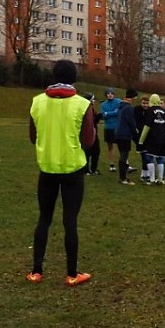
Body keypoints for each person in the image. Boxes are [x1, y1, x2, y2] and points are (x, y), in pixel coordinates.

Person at [26, 59, 95, 287]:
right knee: (70, 221)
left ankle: (36, 271)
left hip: (47, 168)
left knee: (44, 219)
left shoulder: (37, 103)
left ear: (53, 77)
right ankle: (72, 274)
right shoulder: (83, 104)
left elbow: (33, 137)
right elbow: (88, 141)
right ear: (74, 78)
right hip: (72, 170)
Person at [138, 94, 165, 186]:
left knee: (149, 157)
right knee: (160, 158)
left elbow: (146, 127)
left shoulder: (150, 111)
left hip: (153, 138)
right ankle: (160, 179)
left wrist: (141, 141)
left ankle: (152, 179)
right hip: (164, 138)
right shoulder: (164, 111)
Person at [114, 88, 140, 185]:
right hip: (124, 134)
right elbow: (132, 123)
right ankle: (123, 178)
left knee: (122, 155)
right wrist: (136, 135)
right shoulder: (128, 108)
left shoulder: (121, 106)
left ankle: (122, 177)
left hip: (118, 133)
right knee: (124, 156)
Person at [100, 88, 122, 172]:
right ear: (106, 95)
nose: (110, 95)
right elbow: (103, 115)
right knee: (110, 147)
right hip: (108, 127)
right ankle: (111, 164)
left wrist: (108, 113)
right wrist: (112, 113)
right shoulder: (103, 104)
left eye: (111, 93)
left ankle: (125, 163)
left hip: (117, 127)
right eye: (108, 93)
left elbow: (118, 112)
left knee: (121, 146)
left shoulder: (118, 101)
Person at [83, 92, 102, 175]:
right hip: (88, 133)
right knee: (87, 152)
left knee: (96, 151)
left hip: (94, 132)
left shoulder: (92, 108)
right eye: (93, 99)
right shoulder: (86, 109)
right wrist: (98, 117)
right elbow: (89, 121)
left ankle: (93, 169)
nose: (94, 101)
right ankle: (86, 170)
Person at [134, 94, 152, 181]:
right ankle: (145, 173)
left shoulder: (151, 111)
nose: (145, 105)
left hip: (148, 136)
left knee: (147, 155)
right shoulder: (136, 110)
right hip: (139, 136)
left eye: (147, 103)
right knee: (143, 155)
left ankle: (146, 173)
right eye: (143, 103)